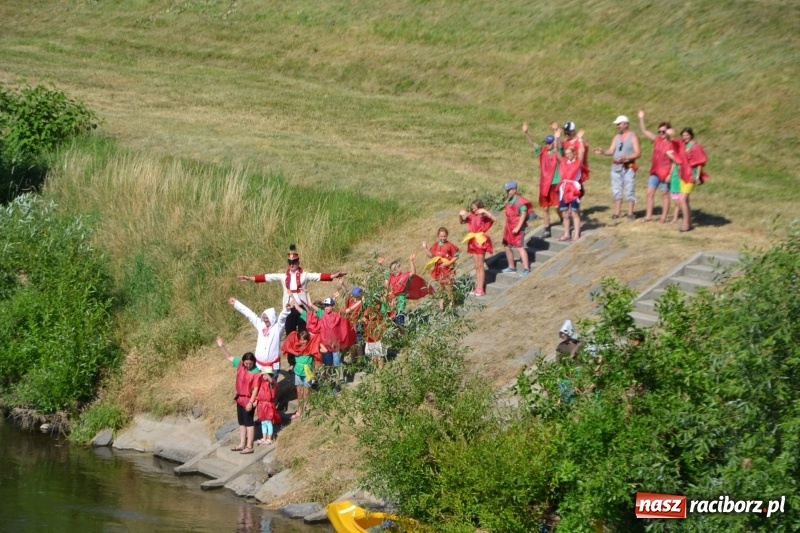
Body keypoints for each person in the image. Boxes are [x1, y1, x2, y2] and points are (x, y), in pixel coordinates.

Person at [237, 244, 346, 335]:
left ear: (298, 263)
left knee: (304, 331)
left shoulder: (304, 275)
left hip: (302, 308)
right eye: (290, 263)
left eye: (294, 262)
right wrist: (250, 278)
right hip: (289, 307)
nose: (292, 265)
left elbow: (318, 276)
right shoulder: (283, 276)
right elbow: (268, 277)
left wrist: (334, 275)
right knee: (290, 331)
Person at [216, 337, 260, 454]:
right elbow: (229, 357)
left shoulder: (256, 372)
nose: (248, 365)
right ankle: (242, 443)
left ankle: (249, 446)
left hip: (248, 399)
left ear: (254, 363)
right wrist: (222, 346)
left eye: (250, 364)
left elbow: (256, 389)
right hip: (240, 398)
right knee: (241, 422)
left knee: (249, 422)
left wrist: (251, 402)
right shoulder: (240, 364)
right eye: (246, 363)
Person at [594, 115, 641, 220]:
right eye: (617, 124)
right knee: (616, 190)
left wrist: (627, 157)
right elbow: (611, 151)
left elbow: (638, 153)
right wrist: (602, 151)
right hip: (616, 167)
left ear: (626, 124)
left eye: (619, 124)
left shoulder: (633, 136)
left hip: (628, 167)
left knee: (630, 189)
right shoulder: (616, 137)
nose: (617, 126)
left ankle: (630, 213)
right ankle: (617, 213)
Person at [229, 297, 290, 376]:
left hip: (272, 365)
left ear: (272, 317)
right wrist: (236, 303)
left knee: (271, 383)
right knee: (259, 383)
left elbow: (282, 318)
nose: (265, 320)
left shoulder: (277, 328)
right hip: (259, 365)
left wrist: (286, 309)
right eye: (264, 318)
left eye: (267, 318)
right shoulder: (261, 325)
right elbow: (250, 314)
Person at [523, 122, 561, 238]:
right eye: (546, 143)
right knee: (545, 207)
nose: (547, 145)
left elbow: (559, 146)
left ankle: (563, 220)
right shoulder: (543, 151)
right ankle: (547, 228)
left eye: (549, 143)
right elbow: (533, 143)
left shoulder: (557, 152)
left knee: (557, 206)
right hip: (545, 184)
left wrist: (556, 133)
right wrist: (526, 133)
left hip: (555, 182)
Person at [637, 109, 673, 223]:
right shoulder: (657, 140)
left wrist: (670, 175)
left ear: (668, 131)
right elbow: (645, 131)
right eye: (659, 131)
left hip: (666, 172)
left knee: (665, 194)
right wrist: (641, 118)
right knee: (649, 193)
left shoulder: (672, 144)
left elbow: (675, 161)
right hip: (655, 171)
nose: (661, 133)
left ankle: (663, 217)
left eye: (663, 131)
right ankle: (648, 216)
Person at [280, 330, 323, 420]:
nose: (302, 342)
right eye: (301, 340)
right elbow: (286, 345)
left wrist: (316, 342)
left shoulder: (311, 347)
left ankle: (308, 409)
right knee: (299, 394)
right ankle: (300, 411)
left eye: (304, 340)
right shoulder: (296, 347)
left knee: (307, 393)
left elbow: (324, 350)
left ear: (308, 340)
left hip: (307, 373)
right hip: (298, 373)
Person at [459, 199, 496, 297]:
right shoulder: (471, 216)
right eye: (472, 208)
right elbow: (462, 221)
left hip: (480, 241)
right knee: (476, 266)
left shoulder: (483, 215)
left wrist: (485, 211)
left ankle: (481, 288)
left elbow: (494, 219)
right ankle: (477, 287)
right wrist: (461, 215)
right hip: (473, 241)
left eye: (475, 208)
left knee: (480, 265)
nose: (474, 210)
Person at [677, 127, 709, 232]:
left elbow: (700, 162)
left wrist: (697, 176)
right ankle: (689, 223)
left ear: (691, 135)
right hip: (683, 174)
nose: (685, 137)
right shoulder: (683, 145)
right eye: (683, 135)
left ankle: (685, 224)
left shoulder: (696, 146)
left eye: (687, 135)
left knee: (682, 199)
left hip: (691, 175)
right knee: (685, 200)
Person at [422, 227, 459, 309]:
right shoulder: (435, 245)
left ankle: (451, 303)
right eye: (441, 236)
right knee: (440, 287)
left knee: (448, 287)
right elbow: (431, 256)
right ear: (438, 236)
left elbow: (456, 256)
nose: (443, 238)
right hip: (438, 270)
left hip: (447, 270)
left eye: (445, 236)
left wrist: (448, 263)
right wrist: (425, 248)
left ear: (447, 235)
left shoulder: (449, 245)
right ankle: (441, 304)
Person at [502, 181, 533, 277]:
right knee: (507, 246)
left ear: (514, 190)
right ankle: (511, 267)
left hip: (517, 226)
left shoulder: (521, 201)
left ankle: (526, 268)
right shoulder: (509, 200)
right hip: (509, 226)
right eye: (507, 191)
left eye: (509, 190)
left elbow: (523, 214)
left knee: (520, 247)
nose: (508, 192)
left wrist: (518, 227)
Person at [558, 142, 585, 242]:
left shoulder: (578, 162)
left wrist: (580, 141)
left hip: (573, 189)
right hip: (564, 188)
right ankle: (566, 233)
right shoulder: (564, 162)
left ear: (574, 153)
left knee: (574, 213)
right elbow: (556, 153)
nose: (567, 155)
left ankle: (576, 234)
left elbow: (582, 151)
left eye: (569, 153)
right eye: (566, 154)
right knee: (565, 213)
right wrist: (556, 139)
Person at [254, 367, 280, 445]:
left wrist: (265, 372)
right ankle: (264, 437)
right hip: (261, 405)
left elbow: (271, 381)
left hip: (268, 405)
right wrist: (256, 403)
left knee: (268, 422)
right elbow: (258, 395)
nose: (264, 376)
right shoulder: (262, 383)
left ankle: (269, 438)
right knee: (263, 422)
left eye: (266, 375)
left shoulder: (272, 383)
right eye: (264, 375)